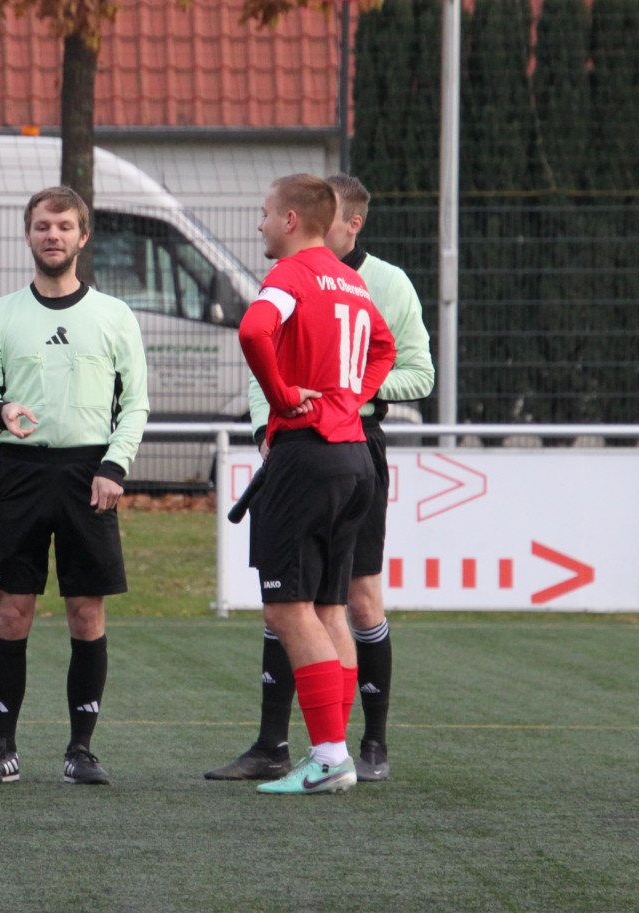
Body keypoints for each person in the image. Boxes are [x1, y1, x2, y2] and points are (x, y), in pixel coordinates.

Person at [206, 174, 434, 785]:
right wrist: (347, 396)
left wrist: (284, 397)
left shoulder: (293, 274)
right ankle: (327, 753)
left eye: (264, 214)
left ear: (290, 221)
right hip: (354, 452)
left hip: (308, 454)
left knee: (287, 608)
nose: (259, 225)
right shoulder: (353, 281)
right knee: (332, 606)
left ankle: (332, 755)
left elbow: (253, 330)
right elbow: (383, 349)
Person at [0, 186, 149, 786]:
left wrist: (114, 466)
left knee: (84, 613)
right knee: (13, 612)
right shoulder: (0, 315)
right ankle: (3, 749)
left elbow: (136, 405)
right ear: (28, 235)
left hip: (89, 475)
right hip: (21, 474)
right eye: (43, 226)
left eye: (64, 226)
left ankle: (81, 751)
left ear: (82, 237)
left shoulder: (115, 316)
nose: (53, 235)